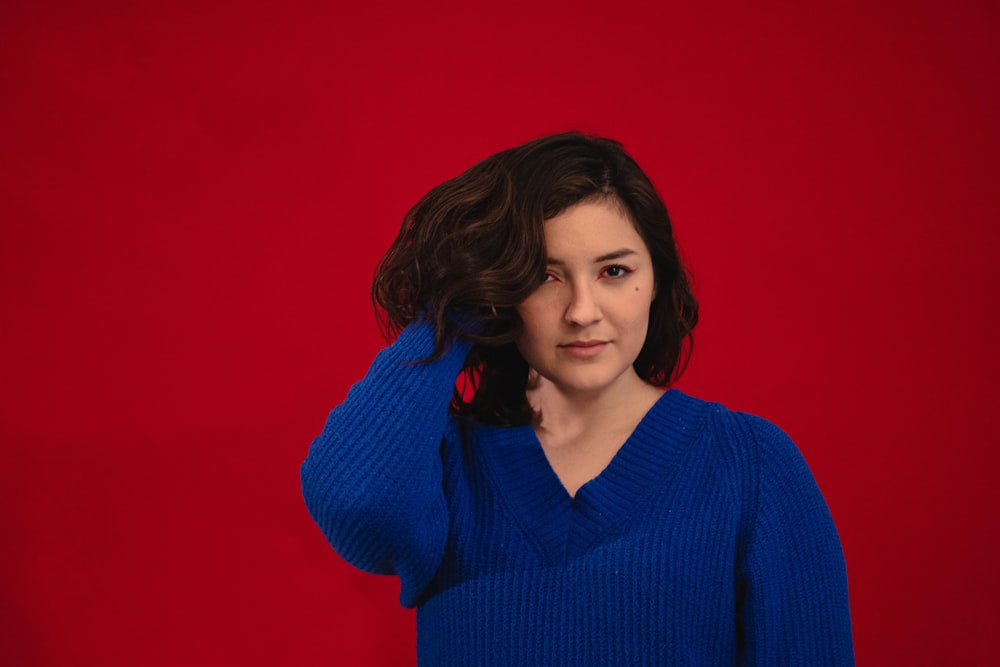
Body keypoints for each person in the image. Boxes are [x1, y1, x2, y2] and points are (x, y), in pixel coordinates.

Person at [300, 132, 854, 665]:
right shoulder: (447, 469)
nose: (582, 311)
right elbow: (356, 505)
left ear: (656, 280)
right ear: (502, 291)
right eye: (544, 276)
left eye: (615, 271)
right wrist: (452, 310)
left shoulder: (751, 465)